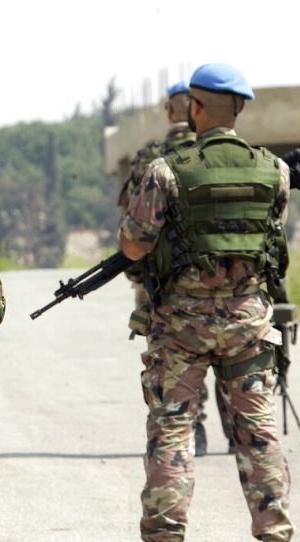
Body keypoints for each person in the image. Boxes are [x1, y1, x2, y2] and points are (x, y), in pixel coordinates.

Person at [117, 62, 297, 542]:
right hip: (248, 322)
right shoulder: (275, 170)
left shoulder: (166, 169)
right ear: (240, 108)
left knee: (171, 431)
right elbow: (269, 243)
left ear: (194, 107)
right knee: (258, 433)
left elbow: (134, 243)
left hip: (181, 327)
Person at [118, 80, 234, 457]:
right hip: (229, 274)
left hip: (167, 282)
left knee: (179, 360)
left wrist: (141, 277)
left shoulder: (152, 157)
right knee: (233, 353)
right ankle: (236, 431)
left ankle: (193, 430)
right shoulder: (226, 154)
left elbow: (132, 223)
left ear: (172, 110)